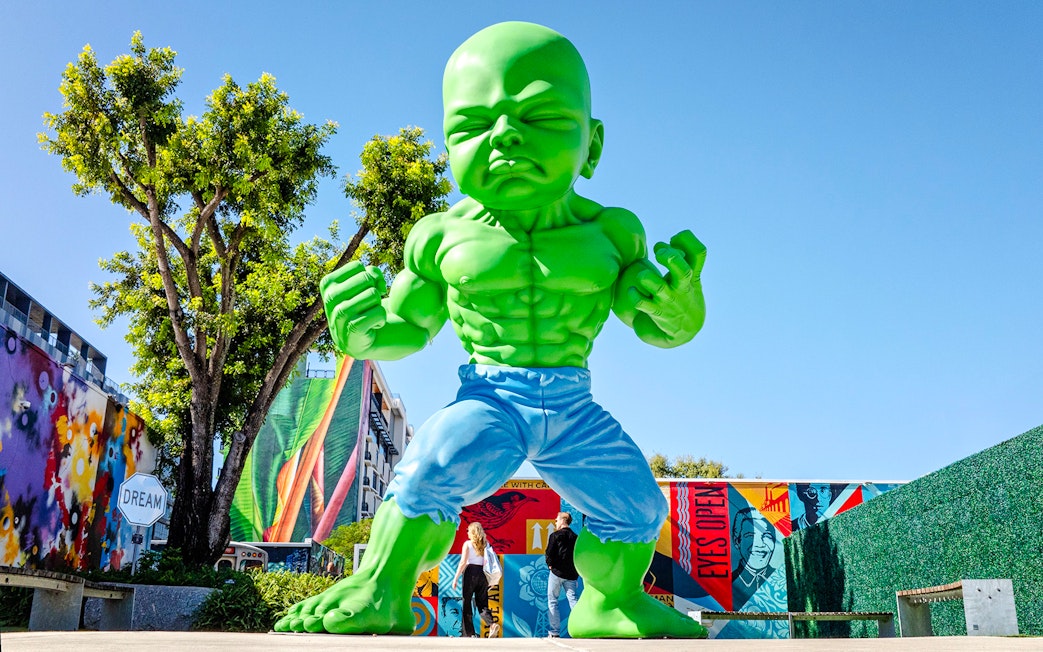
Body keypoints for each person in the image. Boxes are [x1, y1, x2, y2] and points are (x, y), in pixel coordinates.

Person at [275, 21, 707, 638]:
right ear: (450, 147)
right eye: (473, 125)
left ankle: (608, 603)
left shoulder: (612, 234)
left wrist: (681, 309)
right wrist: (361, 334)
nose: (504, 135)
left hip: (573, 405)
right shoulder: (441, 236)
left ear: (592, 144)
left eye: (542, 117)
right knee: (430, 467)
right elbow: (407, 324)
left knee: (638, 506)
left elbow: (654, 322)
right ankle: (382, 589)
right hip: (490, 396)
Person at [451, 522, 500, 638]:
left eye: (468, 530)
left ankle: (469, 633)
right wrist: (492, 580)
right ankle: (492, 624)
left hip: (470, 573)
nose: (467, 532)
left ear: (472, 532)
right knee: (482, 603)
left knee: (467, 602)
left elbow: (463, 562)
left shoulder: (467, 544)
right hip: (483, 574)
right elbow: (491, 562)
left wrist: (455, 578)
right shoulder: (486, 544)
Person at [730, 508, 778, 609]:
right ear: (737, 541)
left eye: (767, 536)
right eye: (750, 536)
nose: (760, 545)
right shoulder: (728, 584)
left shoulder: (781, 580)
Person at [545, 512, 579, 637]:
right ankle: (580, 627)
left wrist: (550, 565)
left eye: (557, 520)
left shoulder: (555, 536)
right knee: (573, 600)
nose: (555, 522)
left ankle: (554, 632)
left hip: (556, 573)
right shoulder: (576, 537)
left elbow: (549, 552)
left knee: (553, 601)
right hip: (571, 574)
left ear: (563, 521)